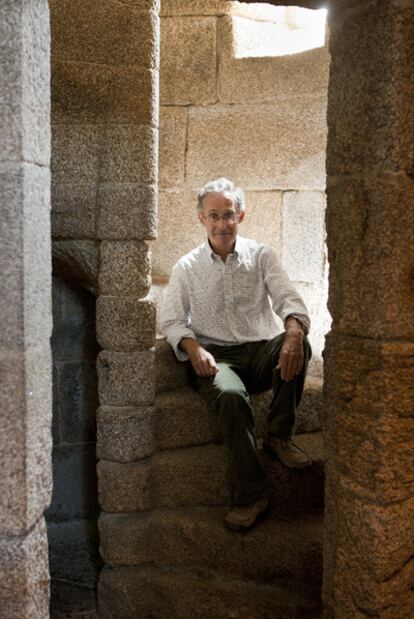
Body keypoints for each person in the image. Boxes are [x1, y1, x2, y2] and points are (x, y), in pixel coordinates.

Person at [160, 178, 312, 532]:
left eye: (228, 215)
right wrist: (193, 347)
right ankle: (250, 496)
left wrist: (292, 331)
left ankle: (279, 434)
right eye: (214, 216)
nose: (222, 223)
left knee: (299, 343)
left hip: (260, 352)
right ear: (201, 219)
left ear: (240, 215)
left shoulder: (262, 256)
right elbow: (171, 320)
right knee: (230, 395)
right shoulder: (187, 267)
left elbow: (289, 299)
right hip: (217, 358)